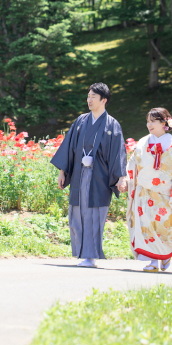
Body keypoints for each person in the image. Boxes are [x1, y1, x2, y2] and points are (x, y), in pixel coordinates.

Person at [50, 83, 128, 268]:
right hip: (78, 173)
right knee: (77, 212)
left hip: (99, 176)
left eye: (93, 96)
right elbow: (69, 147)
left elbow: (119, 152)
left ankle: (91, 256)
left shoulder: (112, 124)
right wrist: (62, 171)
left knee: (94, 214)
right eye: (88, 96)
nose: (89, 100)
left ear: (104, 100)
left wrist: (121, 177)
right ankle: (82, 253)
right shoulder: (81, 121)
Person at [126, 107, 172, 272]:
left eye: (153, 121)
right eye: (148, 121)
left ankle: (164, 256)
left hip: (164, 193)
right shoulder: (143, 142)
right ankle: (153, 262)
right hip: (144, 192)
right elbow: (133, 163)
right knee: (146, 227)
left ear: (164, 123)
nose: (149, 124)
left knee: (165, 226)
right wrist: (128, 179)